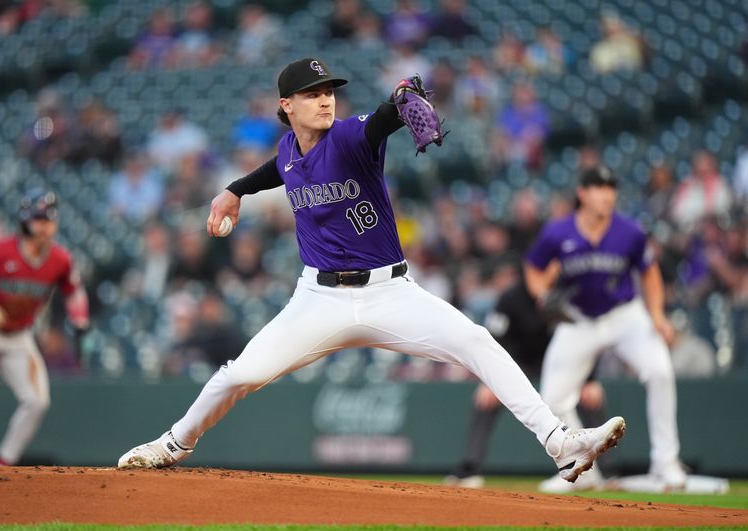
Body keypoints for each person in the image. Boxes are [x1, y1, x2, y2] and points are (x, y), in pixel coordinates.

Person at [117, 57, 626, 481]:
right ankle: (174, 443)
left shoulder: (353, 136)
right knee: (239, 375)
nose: (325, 99)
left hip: (391, 293)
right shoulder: (288, 149)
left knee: (476, 341)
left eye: (329, 90)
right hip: (317, 299)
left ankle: (562, 443)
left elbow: (384, 118)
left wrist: (401, 97)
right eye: (312, 92)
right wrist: (235, 190)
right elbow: (279, 168)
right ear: (286, 106)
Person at [524, 166, 687, 491]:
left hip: (624, 315)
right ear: (583, 193)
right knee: (553, 398)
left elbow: (650, 272)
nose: (607, 194)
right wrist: (541, 293)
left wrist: (657, 314)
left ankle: (666, 463)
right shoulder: (558, 232)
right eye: (599, 187)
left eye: (610, 188)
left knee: (660, 371)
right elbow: (533, 268)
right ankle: (580, 470)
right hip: (578, 319)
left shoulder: (629, 231)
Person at [0, 189, 89, 465]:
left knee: (37, 401)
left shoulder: (60, 259)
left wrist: (79, 317)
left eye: (48, 219)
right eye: (38, 219)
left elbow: (74, 291)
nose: (43, 226)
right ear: (25, 221)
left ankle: (3, 462)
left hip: (18, 335)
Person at [444, 276, 609, 490]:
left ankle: (606, 472)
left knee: (589, 396)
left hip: (561, 361)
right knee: (485, 399)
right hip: (519, 362)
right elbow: (495, 339)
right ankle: (470, 468)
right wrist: (490, 379)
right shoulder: (512, 297)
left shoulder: (571, 292)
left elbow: (588, 338)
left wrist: (590, 378)